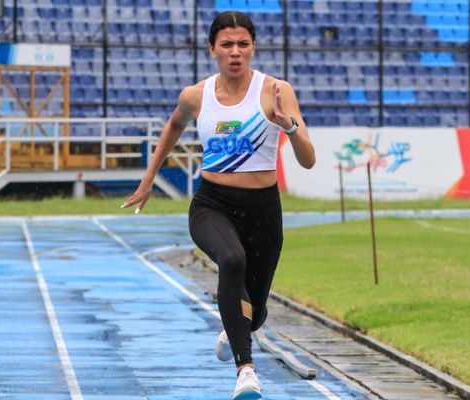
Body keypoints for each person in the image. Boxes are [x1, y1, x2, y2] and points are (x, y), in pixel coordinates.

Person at [121, 10, 315, 399]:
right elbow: (173, 126)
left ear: (253, 47)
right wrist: (147, 180)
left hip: (263, 210)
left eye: (243, 44)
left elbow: (308, 159)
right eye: (226, 44)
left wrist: (288, 127)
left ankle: (235, 328)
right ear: (212, 49)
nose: (235, 52)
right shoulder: (195, 95)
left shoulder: (276, 91)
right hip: (213, 204)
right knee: (231, 259)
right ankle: (246, 372)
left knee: (254, 313)